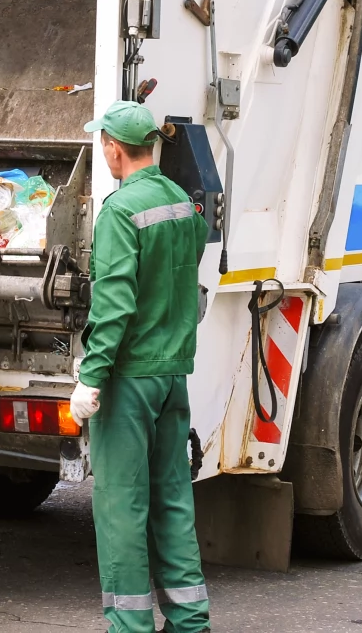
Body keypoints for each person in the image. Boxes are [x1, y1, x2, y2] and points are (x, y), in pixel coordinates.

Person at [70, 100, 211, 633]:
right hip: (172, 377)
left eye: (101, 142)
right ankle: (191, 621)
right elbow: (184, 276)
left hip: (129, 381)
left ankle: (130, 627)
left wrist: (91, 377)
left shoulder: (119, 211)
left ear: (112, 146)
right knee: (173, 498)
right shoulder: (180, 202)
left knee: (121, 507)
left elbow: (114, 304)